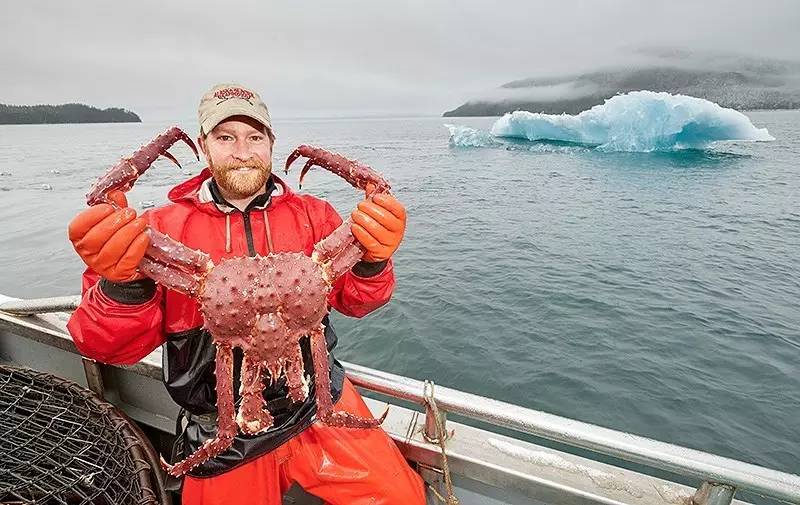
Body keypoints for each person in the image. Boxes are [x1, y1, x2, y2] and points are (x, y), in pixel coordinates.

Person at [66, 83, 425, 505]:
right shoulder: (155, 233)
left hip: (319, 399)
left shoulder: (315, 215)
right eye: (226, 137)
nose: (242, 150)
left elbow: (360, 300)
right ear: (203, 146)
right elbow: (106, 346)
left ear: (272, 144)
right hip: (225, 425)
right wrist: (123, 285)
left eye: (255, 137)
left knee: (404, 498)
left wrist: (372, 261)